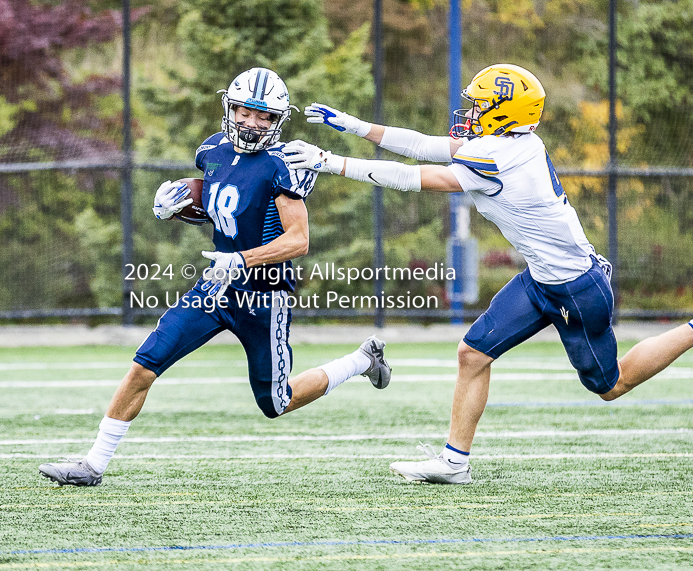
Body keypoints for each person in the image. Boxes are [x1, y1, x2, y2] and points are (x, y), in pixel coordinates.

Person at [283, 63, 693, 485]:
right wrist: (355, 125)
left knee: (611, 384)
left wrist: (329, 161)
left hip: (575, 287)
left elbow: (413, 176)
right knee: (472, 354)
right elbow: (425, 145)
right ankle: (454, 464)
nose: (471, 113)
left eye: (480, 105)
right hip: (541, 279)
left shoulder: (496, 155)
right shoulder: (513, 142)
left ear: (505, 112)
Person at [38, 67, 392, 487]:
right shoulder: (212, 151)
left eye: (264, 117)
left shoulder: (285, 164)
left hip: (265, 298)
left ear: (278, 121)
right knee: (144, 365)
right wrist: (173, 208)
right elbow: (227, 208)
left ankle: (361, 360)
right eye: (246, 111)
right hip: (215, 287)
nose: (252, 123)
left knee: (276, 403)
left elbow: (298, 240)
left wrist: (242, 259)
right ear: (231, 107)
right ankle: (92, 465)